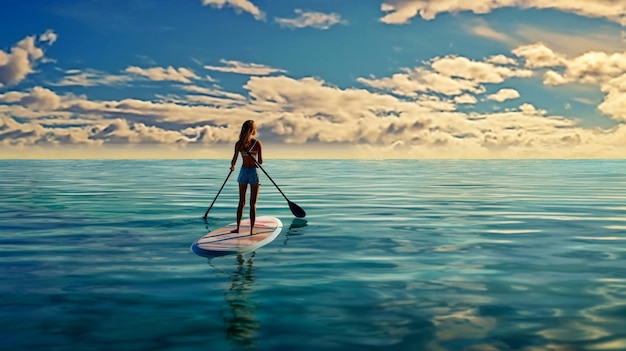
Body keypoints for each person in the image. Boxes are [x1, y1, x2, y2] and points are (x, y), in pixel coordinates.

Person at [230, 120, 263, 235]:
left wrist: (232, 167)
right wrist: (254, 157)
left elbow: (234, 159)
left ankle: (238, 228)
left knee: (241, 202)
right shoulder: (257, 143)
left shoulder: (239, 144)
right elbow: (260, 162)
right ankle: (251, 230)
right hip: (253, 172)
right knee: (252, 204)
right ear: (253, 130)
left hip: (243, 172)